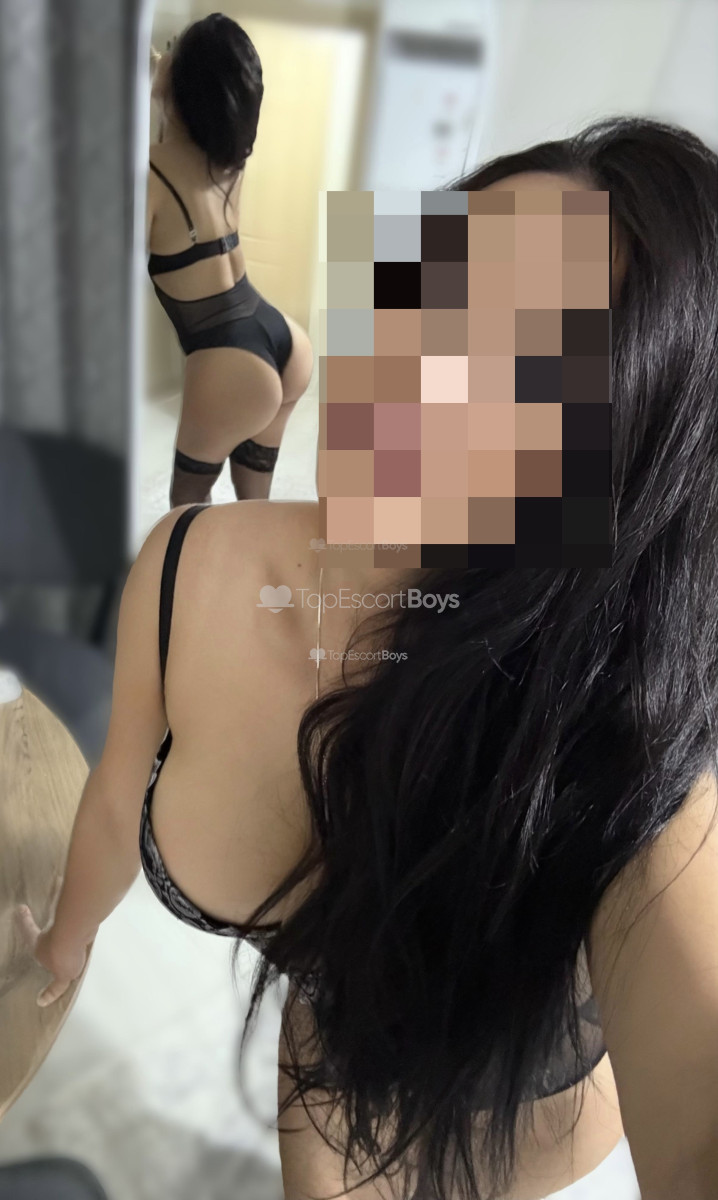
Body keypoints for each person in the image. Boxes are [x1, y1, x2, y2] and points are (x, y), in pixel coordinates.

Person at [17, 118, 718, 1200]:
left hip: (526, 1117)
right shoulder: (186, 562)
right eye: (443, 279)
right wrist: (65, 943)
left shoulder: (608, 733)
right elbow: (115, 795)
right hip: (338, 1057)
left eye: (526, 366)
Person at [147, 15, 314, 507]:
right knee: (253, 508)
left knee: (186, 505)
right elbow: (175, 81)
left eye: (172, 50)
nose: (163, 55)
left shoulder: (151, 174)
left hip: (228, 358)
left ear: (182, 85)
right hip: (284, 341)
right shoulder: (227, 159)